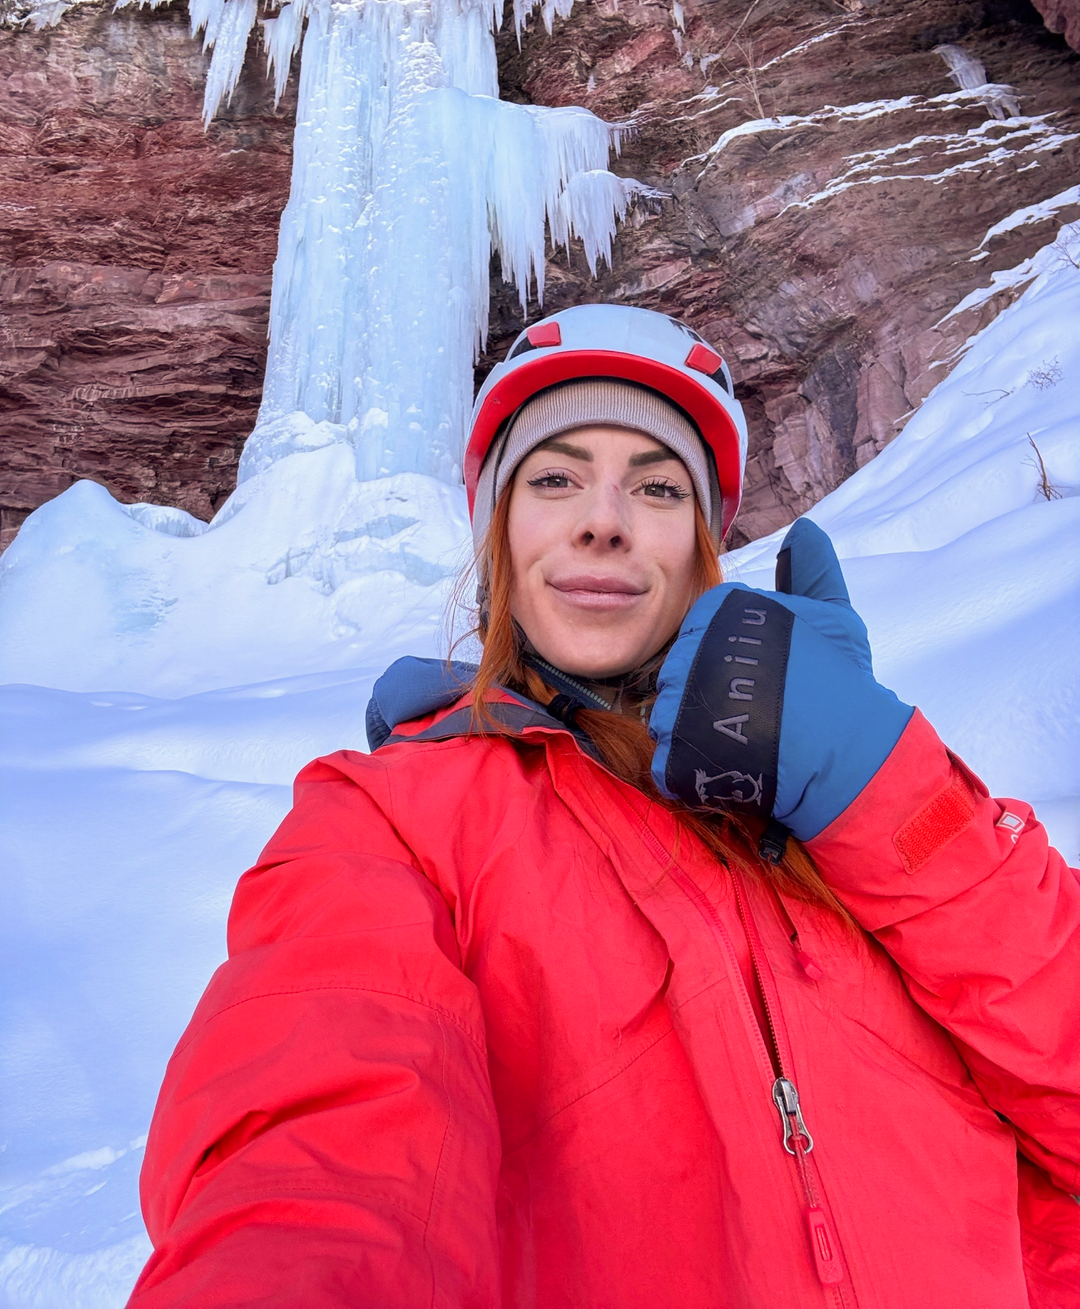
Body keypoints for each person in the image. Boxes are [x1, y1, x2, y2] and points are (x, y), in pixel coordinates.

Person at [128, 304, 1080, 1308]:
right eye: (555, 477)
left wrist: (886, 793)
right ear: (498, 531)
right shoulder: (388, 822)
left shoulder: (832, 808)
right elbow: (319, 1147)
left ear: (706, 544)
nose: (604, 517)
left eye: (658, 487)